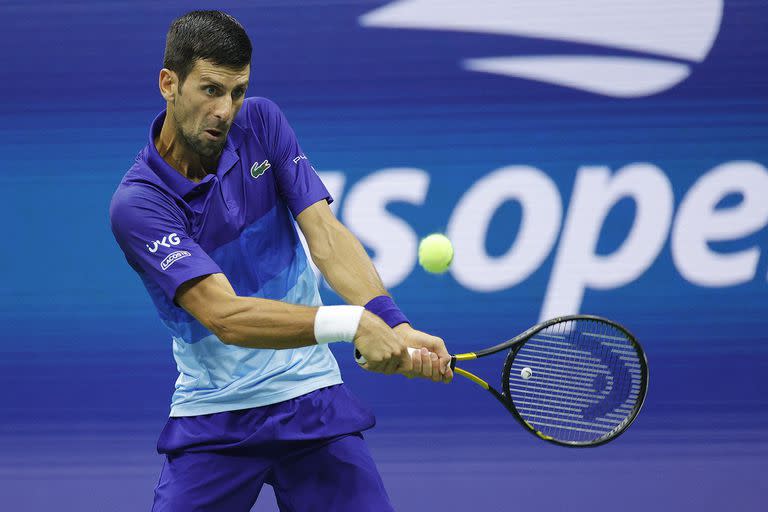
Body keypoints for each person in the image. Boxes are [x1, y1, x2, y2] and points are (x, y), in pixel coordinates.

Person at [109, 10, 453, 512]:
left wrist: (391, 323)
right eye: (210, 90)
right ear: (169, 83)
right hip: (215, 416)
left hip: (310, 398)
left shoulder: (262, 123)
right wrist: (352, 323)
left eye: (238, 91)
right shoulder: (139, 204)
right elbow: (224, 316)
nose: (226, 109)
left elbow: (327, 238)